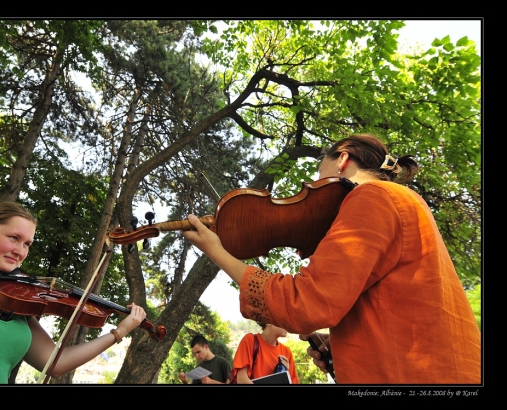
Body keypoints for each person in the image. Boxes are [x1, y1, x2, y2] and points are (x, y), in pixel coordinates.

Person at [182, 133, 481, 384]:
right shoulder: (409, 201)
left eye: (318, 174)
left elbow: (306, 302)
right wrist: (346, 342)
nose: (315, 185)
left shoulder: (372, 196)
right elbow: (396, 305)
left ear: (342, 160)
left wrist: (216, 251)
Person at [0, 201, 147, 384]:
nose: (20, 251)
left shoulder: (14, 302)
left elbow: (55, 363)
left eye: (27, 244)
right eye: (13, 238)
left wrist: (118, 332)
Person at [233, 323, 299, 384]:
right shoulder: (250, 341)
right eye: (283, 320)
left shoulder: (286, 352)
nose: (288, 324)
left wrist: (285, 376)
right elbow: (241, 380)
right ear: (269, 322)